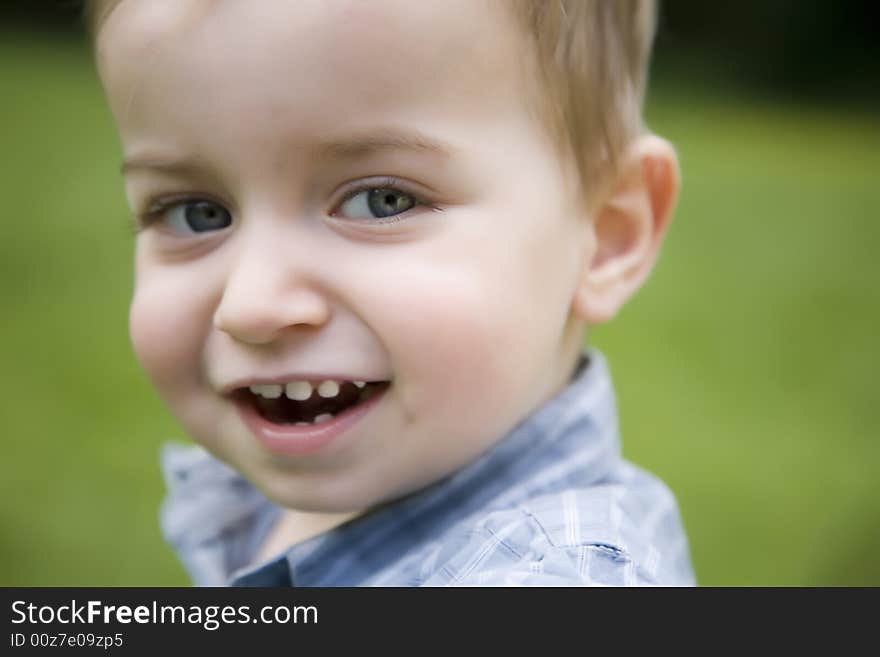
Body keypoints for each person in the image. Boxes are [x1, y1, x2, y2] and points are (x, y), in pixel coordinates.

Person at [87, 0, 696, 586]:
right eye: (196, 214)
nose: (251, 306)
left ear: (608, 234)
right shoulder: (269, 506)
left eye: (382, 201)